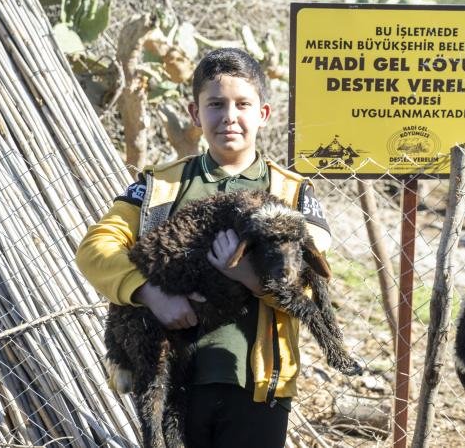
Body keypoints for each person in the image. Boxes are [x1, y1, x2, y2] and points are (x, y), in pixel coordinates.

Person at [76, 48, 331, 447]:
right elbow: (95, 248)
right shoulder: (161, 186)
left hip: (259, 388)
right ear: (196, 115)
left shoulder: (292, 194)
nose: (229, 116)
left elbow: (311, 288)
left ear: (263, 114)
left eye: (243, 104)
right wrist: (150, 293)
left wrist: (251, 279)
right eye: (216, 104)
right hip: (175, 379)